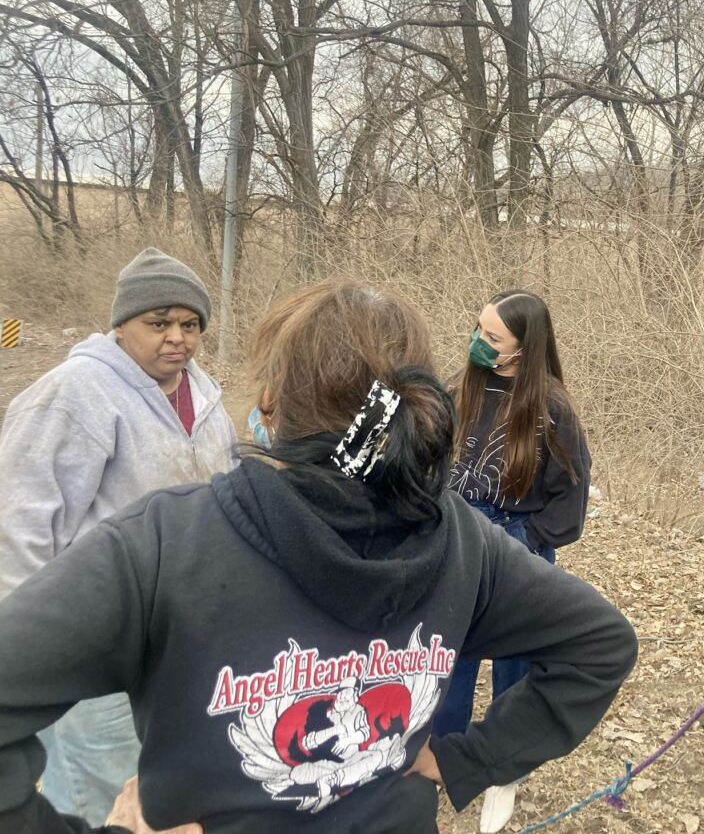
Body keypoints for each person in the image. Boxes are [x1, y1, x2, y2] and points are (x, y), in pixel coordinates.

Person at [0, 280, 637, 834]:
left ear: (271, 403)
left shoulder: (162, 544)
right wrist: (468, 759)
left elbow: (597, 640)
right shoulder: (462, 541)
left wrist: (467, 757)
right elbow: (602, 644)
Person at [0, 247, 238, 824]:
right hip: (94, 636)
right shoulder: (76, 392)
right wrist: (32, 644)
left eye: (189, 325)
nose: (176, 338)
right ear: (121, 324)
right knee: (100, 784)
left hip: (179, 635)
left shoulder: (203, 395)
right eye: (158, 323)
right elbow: (20, 523)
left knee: (151, 781)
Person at [435, 288, 592, 833]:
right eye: (478, 329)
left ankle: (505, 769)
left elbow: (569, 506)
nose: (479, 343)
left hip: (516, 547)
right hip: (453, 544)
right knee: (446, 664)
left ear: (523, 349)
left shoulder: (552, 410)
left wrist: (520, 543)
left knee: (514, 672)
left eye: (492, 337)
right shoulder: (457, 389)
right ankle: (440, 760)